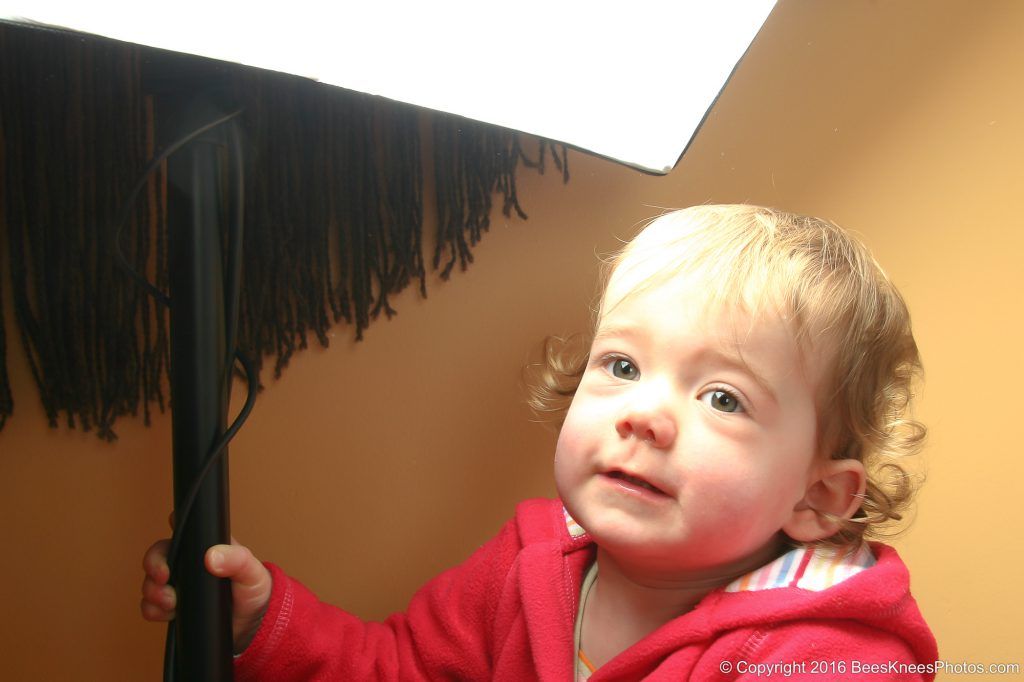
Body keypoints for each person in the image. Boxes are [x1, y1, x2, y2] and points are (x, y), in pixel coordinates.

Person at [142, 204, 938, 680]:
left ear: (816, 497)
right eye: (622, 365)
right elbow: (400, 671)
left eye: (722, 398)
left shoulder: (833, 654)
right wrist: (263, 622)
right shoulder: (526, 566)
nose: (645, 416)